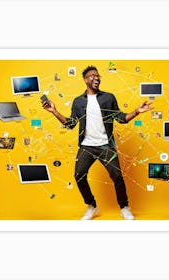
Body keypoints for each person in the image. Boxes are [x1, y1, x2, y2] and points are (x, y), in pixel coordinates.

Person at [42, 65, 153, 220]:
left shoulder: (109, 97)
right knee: (79, 175)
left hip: (106, 145)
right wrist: (54, 111)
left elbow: (121, 118)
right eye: (92, 76)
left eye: (98, 75)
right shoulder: (78, 101)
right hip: (87, 146)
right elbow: (71, 123)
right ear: (85, 80)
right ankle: (92, 206)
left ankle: (124, 207)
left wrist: (136, 111)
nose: (96, 78)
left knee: (117, 177)